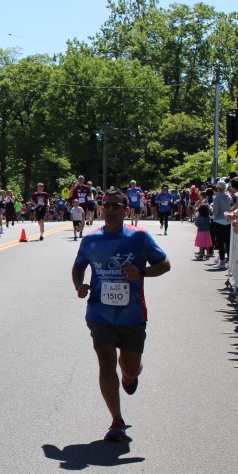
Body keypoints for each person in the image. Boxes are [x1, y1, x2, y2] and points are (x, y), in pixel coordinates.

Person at [71, 189, 171, 442]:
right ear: (102, 208)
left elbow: (164, 264)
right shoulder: (90, 240)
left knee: (129, 367)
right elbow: (78, 266)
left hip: (132, 314)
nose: (111, 209)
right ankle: (116, 420)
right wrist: (79, 285)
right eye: (107, 205)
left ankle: (130, 374)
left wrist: (141, 273)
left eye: (116, 206)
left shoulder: (139, 237)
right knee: (105, 362)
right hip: (99, 313)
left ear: (126, 210)